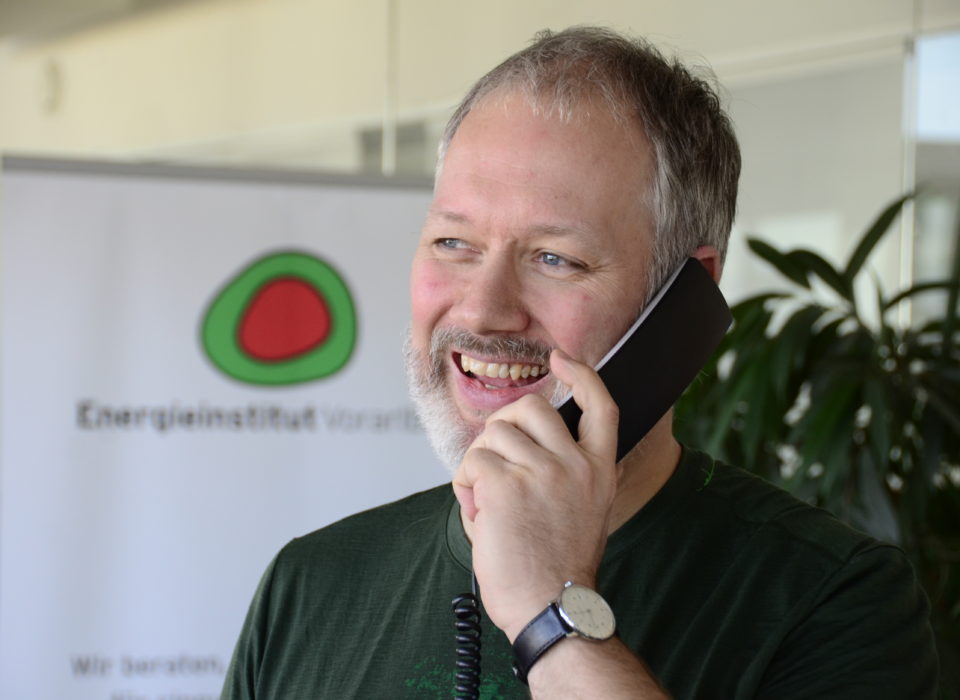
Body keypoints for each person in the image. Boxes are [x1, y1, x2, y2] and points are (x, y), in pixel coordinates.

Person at [221, 26, 939, 699]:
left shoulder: (832, 598)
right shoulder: (310, 585)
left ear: (685, 301)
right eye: (453, 243)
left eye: (555, 258)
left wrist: (551, 610)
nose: (483, 309)